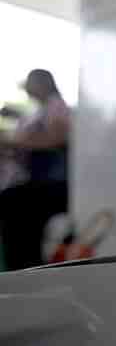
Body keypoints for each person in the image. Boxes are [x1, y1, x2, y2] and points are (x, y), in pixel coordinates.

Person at [0, 69, 70, 270]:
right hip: (39, 182)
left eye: (31, 82)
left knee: (12, 203)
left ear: (42, 83)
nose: (27, 87)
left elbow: (57, 138)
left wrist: (16, 142)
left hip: (52, 183)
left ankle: (23, 269)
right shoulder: (41, 109)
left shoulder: (56, 106)